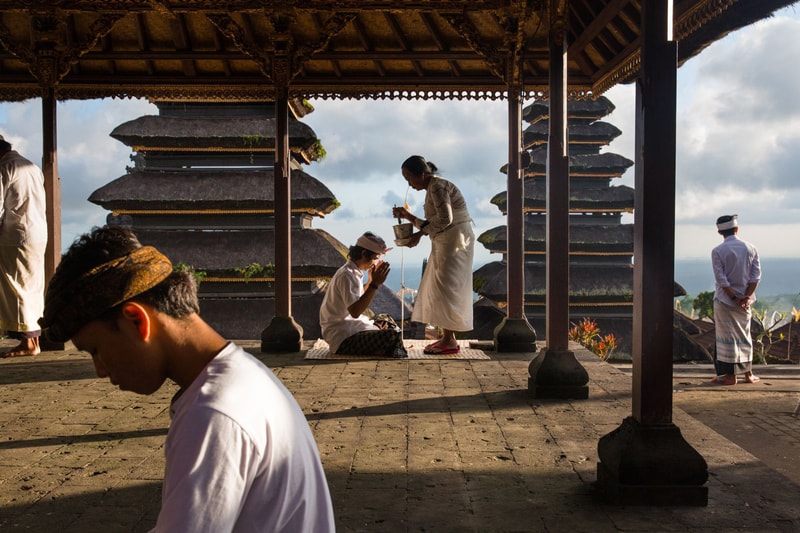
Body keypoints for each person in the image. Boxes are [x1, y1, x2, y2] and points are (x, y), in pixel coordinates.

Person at [38, 226, 335, 532]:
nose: (100, 370)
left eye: (96, 350)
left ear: (137, 320)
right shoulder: (243, 376)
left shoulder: (214, 414)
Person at [392, 155, 474, 355]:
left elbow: (445, 219)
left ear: (422, 174)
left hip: (454, 240)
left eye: (409, 178)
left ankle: (449, 340)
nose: (409, 185)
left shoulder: (437, 187)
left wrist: (413, 224)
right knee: (441, 286)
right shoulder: (432, 187)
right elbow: (438, 221)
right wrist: (412, 224)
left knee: (447, 286)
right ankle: (447, 337)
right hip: (447, 240)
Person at [320, 231, 407, 358]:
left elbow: (358, 299)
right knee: (392, 335)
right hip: (343, 337)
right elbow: (355, 311)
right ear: (364, 253)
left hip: (352, 329)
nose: (375, 263)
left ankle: (380, 348)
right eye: (375, 258)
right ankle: (381, 349)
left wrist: (371, 281)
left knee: (385, 319)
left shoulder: (353, 272)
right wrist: (375, 285)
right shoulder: (346, 275)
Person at [0, 134, 47, 358]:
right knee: (31, 286)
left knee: (16, 286)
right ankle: (33, 339)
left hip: (15, 235)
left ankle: (29, 342)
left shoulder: (5, 168)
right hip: (37, 232)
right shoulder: (30, 166)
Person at [709, 214, 761, 385]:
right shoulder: (751, 248)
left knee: (726, 338)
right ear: (737, 229)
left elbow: (721, 279)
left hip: (725, 300)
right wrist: (745, 297)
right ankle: (748, 374)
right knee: (744, 336)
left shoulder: (717, 251)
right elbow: (755, 277)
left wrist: (734, 297)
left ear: (719, 232)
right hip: (745, 301)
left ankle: (729, 376)